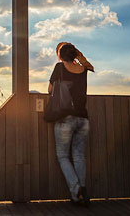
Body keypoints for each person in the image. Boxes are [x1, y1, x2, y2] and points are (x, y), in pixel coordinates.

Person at [48, 42, 93, 206]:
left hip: (65, 118)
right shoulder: (83, 69)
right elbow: (89, 65)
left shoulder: (59, 68)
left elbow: (50, 90)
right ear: (75, 54)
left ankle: (76, 191)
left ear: (61, 55)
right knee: (79, 156)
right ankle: (82, 190)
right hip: (83, 118)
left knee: (63, 156)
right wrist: (79, 55)